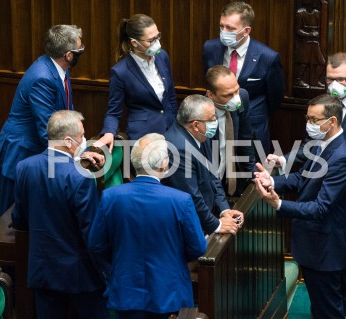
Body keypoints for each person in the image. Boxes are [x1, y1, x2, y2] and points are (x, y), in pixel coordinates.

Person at [266, 52, 346, 317]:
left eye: (340, 79)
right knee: (340, 266)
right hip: (328, 194)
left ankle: (342, 311)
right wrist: (283, 160)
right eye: (329, 79)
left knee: (337, 263)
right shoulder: (322, 109)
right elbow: (313, 149)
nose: (333, 84)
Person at [254, 94, 346, 318]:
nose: (308, 125)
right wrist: (271, 181)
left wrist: (279, 203)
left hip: (325, 249)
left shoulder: (342, 157)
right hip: (315, 245)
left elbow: (321, 208)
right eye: (307, 118)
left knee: (328, 310)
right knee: (322, 307)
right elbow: (303, 177)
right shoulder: (323, 144)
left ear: (332, 121)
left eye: (314, 120)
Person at [88, 133, 207, 319]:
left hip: (125, 291)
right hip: (170, 294)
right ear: (163, 165)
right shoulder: (180, 201)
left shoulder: (111, 197)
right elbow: (198, 247)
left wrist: (118, 265)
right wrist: (173, 258)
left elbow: (96, 245)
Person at [0, 24, 104, 215]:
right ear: (69, 55)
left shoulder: (60, 68)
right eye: (80, 48)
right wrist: (78, 155)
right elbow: (48, 128)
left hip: (36, 152)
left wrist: (82, 149)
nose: (82, 49)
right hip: (20, 154)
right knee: (11, 222)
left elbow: (67, 114)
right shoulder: (42, 78)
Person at [11, 110, 108, 319]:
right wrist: (107, 272)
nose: (84, 140)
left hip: (42, 270)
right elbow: (90, 233)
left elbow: (19, 219)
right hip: (79, 276)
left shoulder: (24, 167)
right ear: (67, 140)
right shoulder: (80, 178)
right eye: (81, 136)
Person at [203, 1, 285, 155]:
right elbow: (209, 82)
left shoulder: (268, 57)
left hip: (253, 128)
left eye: (230, 28)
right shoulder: (210, 48)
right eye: (222, 26)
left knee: (250, 175)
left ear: (246, 31)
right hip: (216, 125)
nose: (224, 32)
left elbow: (275, 97)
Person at [93, 14, 178, 152]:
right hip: (144, 138)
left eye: (158, 36)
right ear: (134, 43)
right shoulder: (120, 72)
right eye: (151, 40)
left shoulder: (162, 56)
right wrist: (109, 132)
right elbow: (114, 112)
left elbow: (171, 96)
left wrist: (176, 123)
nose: (157, 43)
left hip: (171, 130)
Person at [163, 94, 244, 235]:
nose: (216, 121)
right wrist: (216, 225)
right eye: (212, 118)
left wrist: (224, 209)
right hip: (188, 226)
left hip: (205, 216)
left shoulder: (201, 135)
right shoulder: (179, 150)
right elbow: (191, 196)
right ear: (195, 124)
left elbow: (214, 177)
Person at [205, 65, 255, 196]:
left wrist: (252, 175)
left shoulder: (243, 97)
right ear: (210, 95)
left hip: (232, 172)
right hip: (209, 177)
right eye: (228, 95)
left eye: (236, 91)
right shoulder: (200, 113)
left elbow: (245, 137)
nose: (235, 99)